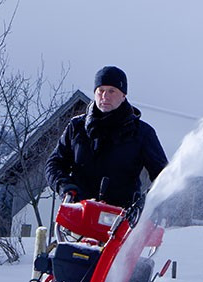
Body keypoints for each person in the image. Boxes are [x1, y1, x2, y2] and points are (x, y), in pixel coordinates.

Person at [45, 65, 168, 209]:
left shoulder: (142, 133)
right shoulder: (77, 127)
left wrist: (145, 203)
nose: (105, 96)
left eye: (112, 91)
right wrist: (65, 188)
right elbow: (54, 164)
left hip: (122, 220)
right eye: (101, 90)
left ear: (123, 95)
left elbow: (163, 176)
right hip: (78, 213)